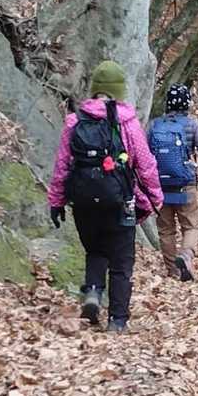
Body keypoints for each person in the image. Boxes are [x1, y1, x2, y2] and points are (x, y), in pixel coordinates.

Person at [48, 60, 163, 330]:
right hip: (119, 202)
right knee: (121, 261)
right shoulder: (128, 123)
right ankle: (117, 320)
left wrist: (56, 201)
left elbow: (62, 166)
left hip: (83, 202)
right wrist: (154, 199)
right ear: (119, 90)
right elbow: (145, 165)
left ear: (95, 88)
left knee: (95, 250)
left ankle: (93, 293)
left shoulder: (75, 121)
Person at [146, 84, 198, 282]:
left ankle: (173, 272)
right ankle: (186, 256)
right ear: (187, 103)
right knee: (191, 225)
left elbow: (144, 154)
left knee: (166, 230)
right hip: (185, 184)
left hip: (160, 186)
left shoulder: (153, 125)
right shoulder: (192, 125)